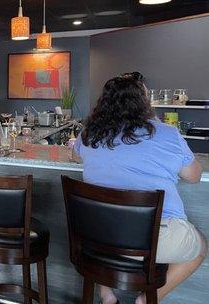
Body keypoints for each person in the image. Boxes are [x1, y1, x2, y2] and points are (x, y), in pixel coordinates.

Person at [73, 74, 207, 304]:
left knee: (98, 222)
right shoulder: (168, 133)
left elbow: (75, 156)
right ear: (144, 102)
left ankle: (106, 294)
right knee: (200, 246)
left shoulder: (90, 134)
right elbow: (194, 176)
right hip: (151, 240)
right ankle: (146, 300)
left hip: (97, 237)